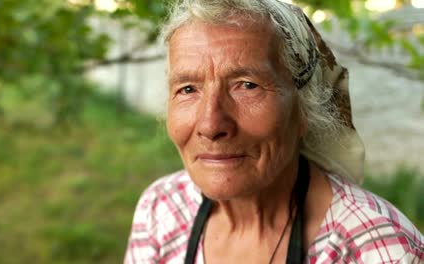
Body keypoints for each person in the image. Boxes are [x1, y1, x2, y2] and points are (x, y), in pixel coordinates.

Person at [124, 0, 424, 263]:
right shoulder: (161, 209)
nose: (211, 125)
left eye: (247, 85)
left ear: (306, 105)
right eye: (188, 88)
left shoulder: (381, 251)